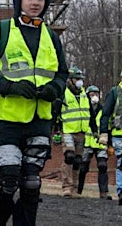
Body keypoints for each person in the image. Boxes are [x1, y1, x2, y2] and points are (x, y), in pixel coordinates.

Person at [0, 0, 68, 225]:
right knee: (9, 179)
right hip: (5, 121)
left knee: (31, 183)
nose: (36, 3)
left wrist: (54, 90)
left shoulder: (52, 38)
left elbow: (62, 75)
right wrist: (9, 87)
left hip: (39, 120)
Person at [53, 67, 89, 198]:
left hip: (81, 132)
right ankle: (66, 187)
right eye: (77, 79)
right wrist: (56, 129)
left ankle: (74, 187)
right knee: (69, 156)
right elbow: (55, 111)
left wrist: (94, 130)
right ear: (70, 80)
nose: (80, 82)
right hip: (67, 130)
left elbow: (88, 112)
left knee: (78, 160)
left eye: (80, 79)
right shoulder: (63, 92)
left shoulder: (84, 94)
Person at [78, 85, 111, 199]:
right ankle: (78, 191)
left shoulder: (104, 110)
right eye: (92, 95)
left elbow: (108, 126)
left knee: (102, 166)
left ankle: (104, 193)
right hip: (87, 143)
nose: (94, 97)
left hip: (100, 143)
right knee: (83, 167)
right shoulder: (84, 109)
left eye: (96, 94)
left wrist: (109, 143)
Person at [99, 71, 122, 205]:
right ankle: (121, 191)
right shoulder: (115, 92)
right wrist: (104, 133)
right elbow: (106, 114)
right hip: (118, 134)